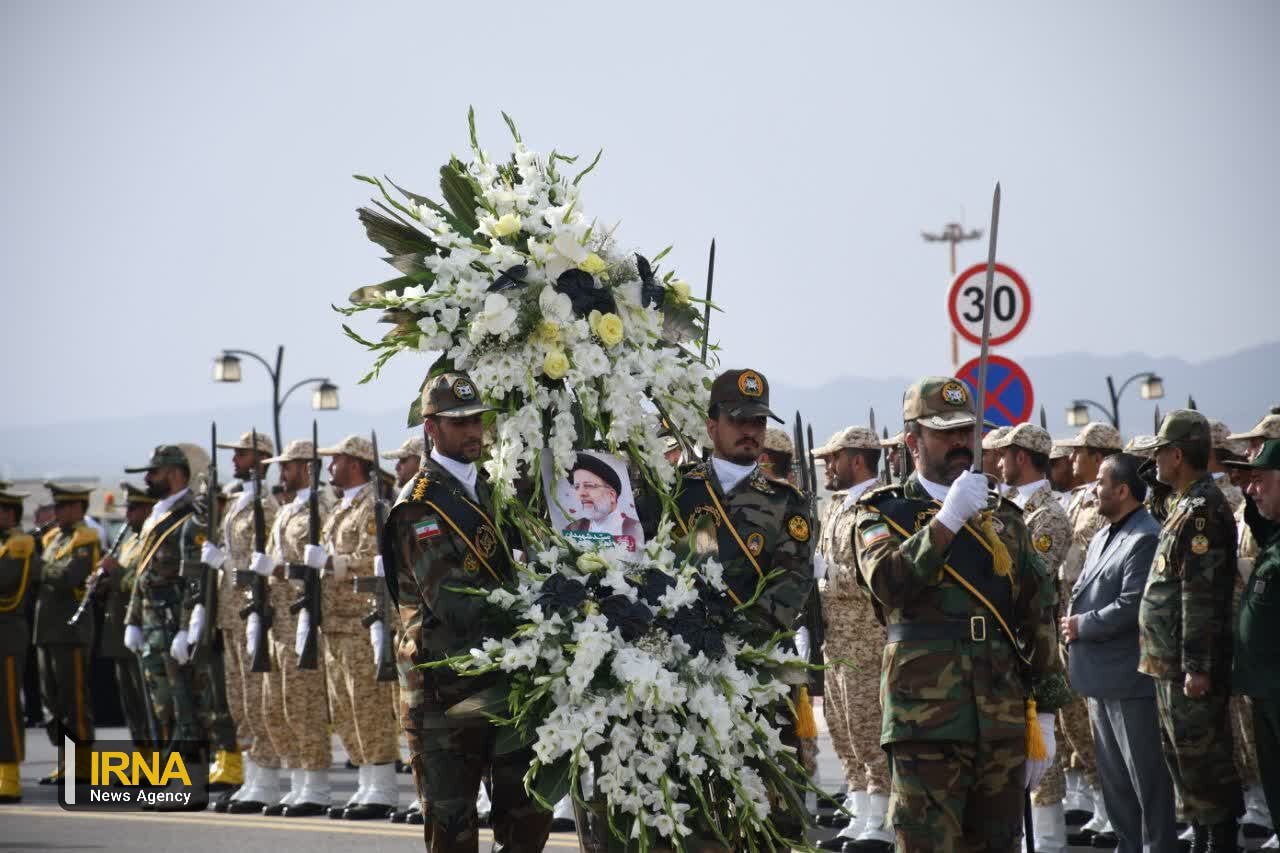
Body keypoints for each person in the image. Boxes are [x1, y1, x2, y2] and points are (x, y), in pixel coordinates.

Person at [853, 376, 1069, 852]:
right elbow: (891, 584)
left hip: (1000, 715)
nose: (958, 443)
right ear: (912, 441)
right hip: (923, 720)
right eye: (943, 432)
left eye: (965, 432)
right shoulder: (882, 514)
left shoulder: (1005, 517)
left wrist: (1046, 715)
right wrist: (946, 520)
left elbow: (1039, 614)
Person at [385, 373, 552, 851]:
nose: (473, 431)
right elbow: (454, 602)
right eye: (459, 423)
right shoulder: (418, 505)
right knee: (453, 830)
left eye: (477, 420)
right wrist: (537, 611)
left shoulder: (497, 490)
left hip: (507, 683)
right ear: (431, 428)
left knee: (527, 820)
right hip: (443, 692)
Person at [674, 368, 814, 839]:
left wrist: (736, 633)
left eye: (758, 421)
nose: (751, 431)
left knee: (771, 813)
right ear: (711, 424)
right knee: (693, 812)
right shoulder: (677, 491)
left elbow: (793, 581)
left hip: (759, 669)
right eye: (739, 420)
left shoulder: (786, 501)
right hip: (685, 669)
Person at [1063, 453, 1177, 853]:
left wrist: (1082, 624)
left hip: (1128, 678)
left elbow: (1133, 605)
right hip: (1098, 676)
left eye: (1100, 481)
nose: (1094, 489)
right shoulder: (1102, 535)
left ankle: (1157, 846)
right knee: (1115, 782)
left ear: (1123, 490)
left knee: (1145, 779)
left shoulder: (1145, 535)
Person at [1140, 409, 1243, 851]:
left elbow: (1199, 596)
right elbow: (1154, 489)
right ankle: (1203, 839)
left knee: (1204, 766)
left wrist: (1197, 666)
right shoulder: (1183, 502)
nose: (1156, 461)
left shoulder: (1201, 511)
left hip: (1189, 666)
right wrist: (1157, 467)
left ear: (1177, 455)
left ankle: (1218, 842)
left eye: (1161, 452)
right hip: (1168, 663)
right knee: (1184, 765)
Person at [991, 423, 1074, 852]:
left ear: (1021, 457)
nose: (997, 462)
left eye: (1003, 454)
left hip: (1033, 641)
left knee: (1038, 746)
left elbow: (1030, 575)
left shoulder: (1048, 515)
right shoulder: (1005, 506)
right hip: (1004, 644)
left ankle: (1049, 838)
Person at [810, 426, 892, 852]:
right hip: (836, 642)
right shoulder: (837, 507)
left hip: (866, 641)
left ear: (857, 460)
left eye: (833, 458)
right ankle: (861, 812)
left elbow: (877, 579)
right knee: (844, 734)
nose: (827, 465)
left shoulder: (876, 509)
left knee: (869, 732)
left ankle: (882, 820)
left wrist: (826, 574)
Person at [311, 434, 399, 820]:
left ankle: (382, 786)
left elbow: (375, 560)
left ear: (358, 463)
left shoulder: (373, 507)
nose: (330, 468)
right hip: (335, 622)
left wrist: (333, 562)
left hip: (363, 620)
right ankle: (366, 781)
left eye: (338, 461)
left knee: (369, 707)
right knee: (344, 708)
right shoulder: (339, 508)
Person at [203, 431, 281, 813]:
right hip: (230, 614)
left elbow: (259, 563)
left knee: (256, 697)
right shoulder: (237, 502)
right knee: (238, 700)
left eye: (241, 453)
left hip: (252, 613)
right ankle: (251, 776)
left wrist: (226, 564)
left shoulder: (265, 504)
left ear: (260, 458)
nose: (234, 459)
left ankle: (265, 777)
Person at [258, 439, 334, 817]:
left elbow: (320, 570)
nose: (280, 473)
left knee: (306, 706)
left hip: (306, 620)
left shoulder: (322, 509)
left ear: (306, 467)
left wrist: (279, 570)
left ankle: (316, 784)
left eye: (287, 466)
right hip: (281, 621)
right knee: (282, 705)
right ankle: (298, 780)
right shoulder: (290, 510)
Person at [1056, 421, 1122, 834]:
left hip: (1097, 624)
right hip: (1069, 618)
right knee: (1076, 719)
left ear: (1100, 457)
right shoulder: (1079, 500)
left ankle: (1112, 806)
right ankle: (1099, 799)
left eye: (1080, 451)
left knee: (1104, 723)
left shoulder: (1115, 504)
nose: (1071, 459)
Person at [120, 447, 201, 750]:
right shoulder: (157, 515)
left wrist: (185, 627)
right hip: (152, 625)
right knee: (160, 707)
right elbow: (143, 574)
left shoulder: (192, 516)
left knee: (184, 708)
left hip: (173, 623)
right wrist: (133, 620)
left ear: (175, 474)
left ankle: (187, 784)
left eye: (154, 472)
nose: (147, 478)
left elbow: (195, 577)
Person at [1226, 439, 1280, 846]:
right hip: (1263, 689)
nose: (1251, 488)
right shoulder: (1273, 538)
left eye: (1260, 480)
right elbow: (1259, 518)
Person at [34, 482, 99, 784]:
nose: (56, 512)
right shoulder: (54, 538)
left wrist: (37, 567)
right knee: (52, 700)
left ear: (77, 508)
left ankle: (83, 763)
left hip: (71, 632)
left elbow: (71, 575)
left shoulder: (85, 539)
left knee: (73, 699)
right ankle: (65, 759)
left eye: (61, 507)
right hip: (47, 630)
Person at [99, 482, 157, 750]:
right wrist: (101, 581)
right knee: (130, 703)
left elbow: (142, 580)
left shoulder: (151, 539)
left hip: (142, 627)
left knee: (149, 703)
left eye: (133, 508)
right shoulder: (128, 540)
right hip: (119, 630)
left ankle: (158, 763)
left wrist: (116, 572)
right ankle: (143, 757)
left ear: (148, 509)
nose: (127, 515)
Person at [0, 486, 36, 803]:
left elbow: (6, 583)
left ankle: (10, 777)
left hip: (7, 635)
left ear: (9, 514)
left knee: (8, 708)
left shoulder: (19, 544)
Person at [565, 453, 643, 548]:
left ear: (612, 496)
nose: (581, 493)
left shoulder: (634, 529)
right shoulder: (573, 529)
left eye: (589, 486)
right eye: (577, 487)